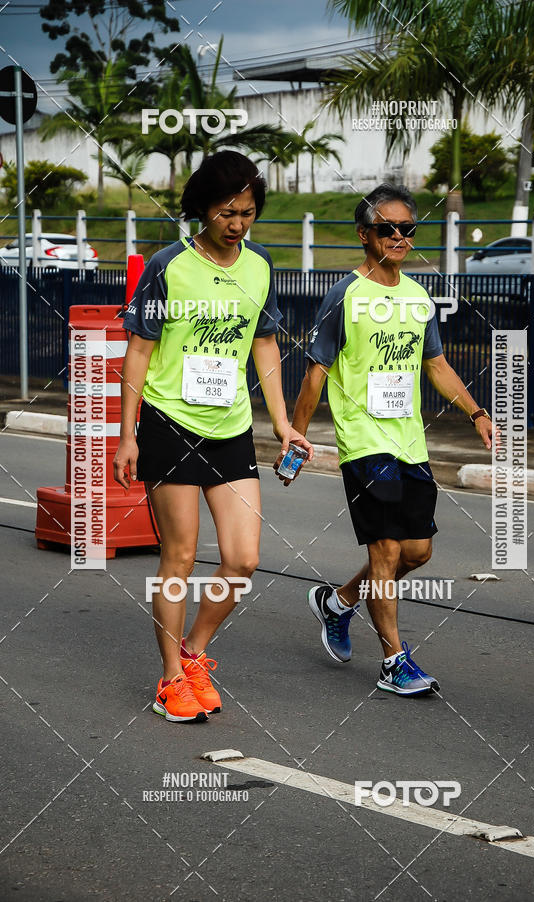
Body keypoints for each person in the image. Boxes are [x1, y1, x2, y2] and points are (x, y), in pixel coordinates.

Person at [114, 150, 312, 723]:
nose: (238, 224)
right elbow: (139, 350)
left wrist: (281, 422)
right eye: (227, 212)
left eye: (248, 213)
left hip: (231, 427)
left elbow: (264, 342)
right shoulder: (168, 265)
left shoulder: (260, 264)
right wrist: (127, 435)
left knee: (243, 559)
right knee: (178, 556)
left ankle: (193, 651)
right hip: (170, 423)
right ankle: (170, 681)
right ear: (202, 209)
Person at [278, 183, 493, 697]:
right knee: (386, 550)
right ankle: (394, 662)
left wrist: (477, 412)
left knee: (416, 553)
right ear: (364, 234)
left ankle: (338, 603)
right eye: (386, 228)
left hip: (409, 442)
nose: (399, 236)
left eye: (407, 228)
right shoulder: (344, 295)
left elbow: (436, 364)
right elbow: (315, 374)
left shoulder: (418, 297)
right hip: (363, 441)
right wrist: (296, 438)